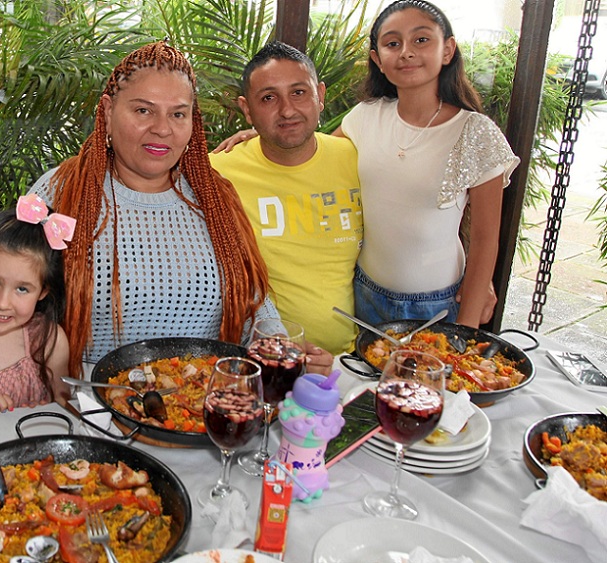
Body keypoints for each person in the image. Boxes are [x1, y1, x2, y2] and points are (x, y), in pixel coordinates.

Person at [217, 0, 518, 328]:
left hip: (438, 304)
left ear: (447, 50)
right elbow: (311, 151)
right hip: (365, 297)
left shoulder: (476, 132)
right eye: (392, 43)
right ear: (377, 59)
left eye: (421, 39)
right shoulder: (364, 117)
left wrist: (469, 325)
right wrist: (260, 130)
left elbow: (487, 238)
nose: (406, 52)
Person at [29, 40, 285, 377]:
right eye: (143, 110)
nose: (162, 129)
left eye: (178, 113)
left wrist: (278, 344)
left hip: (196, 406)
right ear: (107, 111)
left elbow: (256, 306)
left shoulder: (217, 198)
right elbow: (11, 298)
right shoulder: (60, 191)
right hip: (85, 403)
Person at [209, 41, 362, 355]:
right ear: (247, 109)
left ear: (320, 95)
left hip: (351, 363)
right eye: (268, 98)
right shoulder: (217, 173)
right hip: (260, 362)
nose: (287, 110)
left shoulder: (357, 159)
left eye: (299, 92)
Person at [0, 194, 71, 415]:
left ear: (43, 291)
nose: (2, 302)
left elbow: (65, 407)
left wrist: (42, 416)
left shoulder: (49, 341)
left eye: (22, 289)